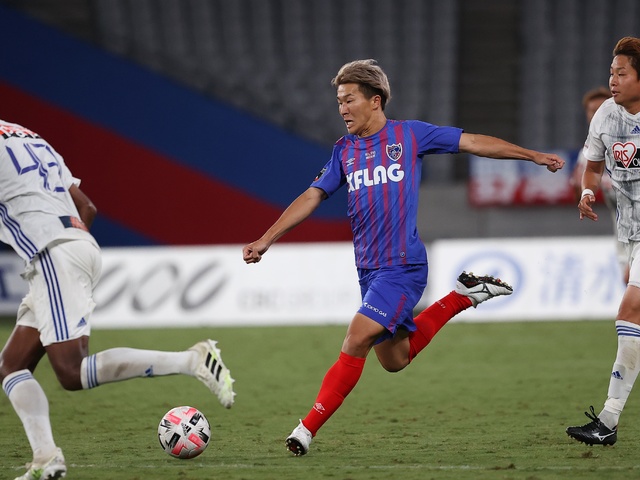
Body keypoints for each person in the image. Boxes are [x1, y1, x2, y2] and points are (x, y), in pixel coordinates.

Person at [242, 59, 565, 456]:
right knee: (395, 360)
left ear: (375, 101)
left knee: (356, 338)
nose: (342, 109)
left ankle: (305, 430)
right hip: (368, 271)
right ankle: (464, 296)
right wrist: (267, 238)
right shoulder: (344, 150)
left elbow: (473, 142)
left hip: (402, 266)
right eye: (339, 101)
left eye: (349, 100)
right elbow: (312, 195)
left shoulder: (409, 135)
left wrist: (531, 156)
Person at [0, 119, 236, 480]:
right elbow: (87, 207)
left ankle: (191, 359)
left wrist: (59, 259)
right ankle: (45, 457)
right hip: (74, 247)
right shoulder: (29, 136)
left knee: (71, 371)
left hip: (52, 254)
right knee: (11, 366)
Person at [566, 36, 640, 446]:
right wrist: (587, 191)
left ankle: (608, 421)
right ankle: (608, 422)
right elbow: (592, 168)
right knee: (632, 313)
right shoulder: (606, 117)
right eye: (611, 72)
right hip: (631, 232)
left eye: (621, 73)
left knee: (630, 311)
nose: (613, 80)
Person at [569, 86, 629, 283]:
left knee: (631, 279)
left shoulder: (630, 138)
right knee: (628, 280)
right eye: (592, 111)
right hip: (622, 227)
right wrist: (582, 192)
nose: (597, 115)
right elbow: (578, 188)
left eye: (602, 109)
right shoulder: (589, 153)